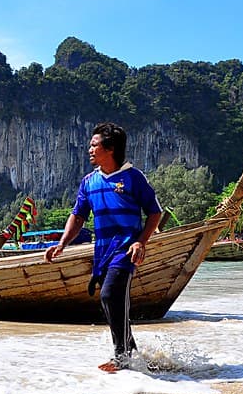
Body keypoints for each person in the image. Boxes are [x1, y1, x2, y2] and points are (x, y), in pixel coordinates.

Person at [45, 122, 163, 372]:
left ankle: (121, 358)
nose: (89, 149)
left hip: (125, 249)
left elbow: (154, 212)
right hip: (102, 253)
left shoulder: (133, 177)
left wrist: (141, 242)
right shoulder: (89, 181)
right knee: (112, 301)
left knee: (110, 295)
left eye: (94, 145)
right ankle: (132, 353)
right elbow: (78, 216)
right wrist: (62, 243)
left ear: (110, 149)